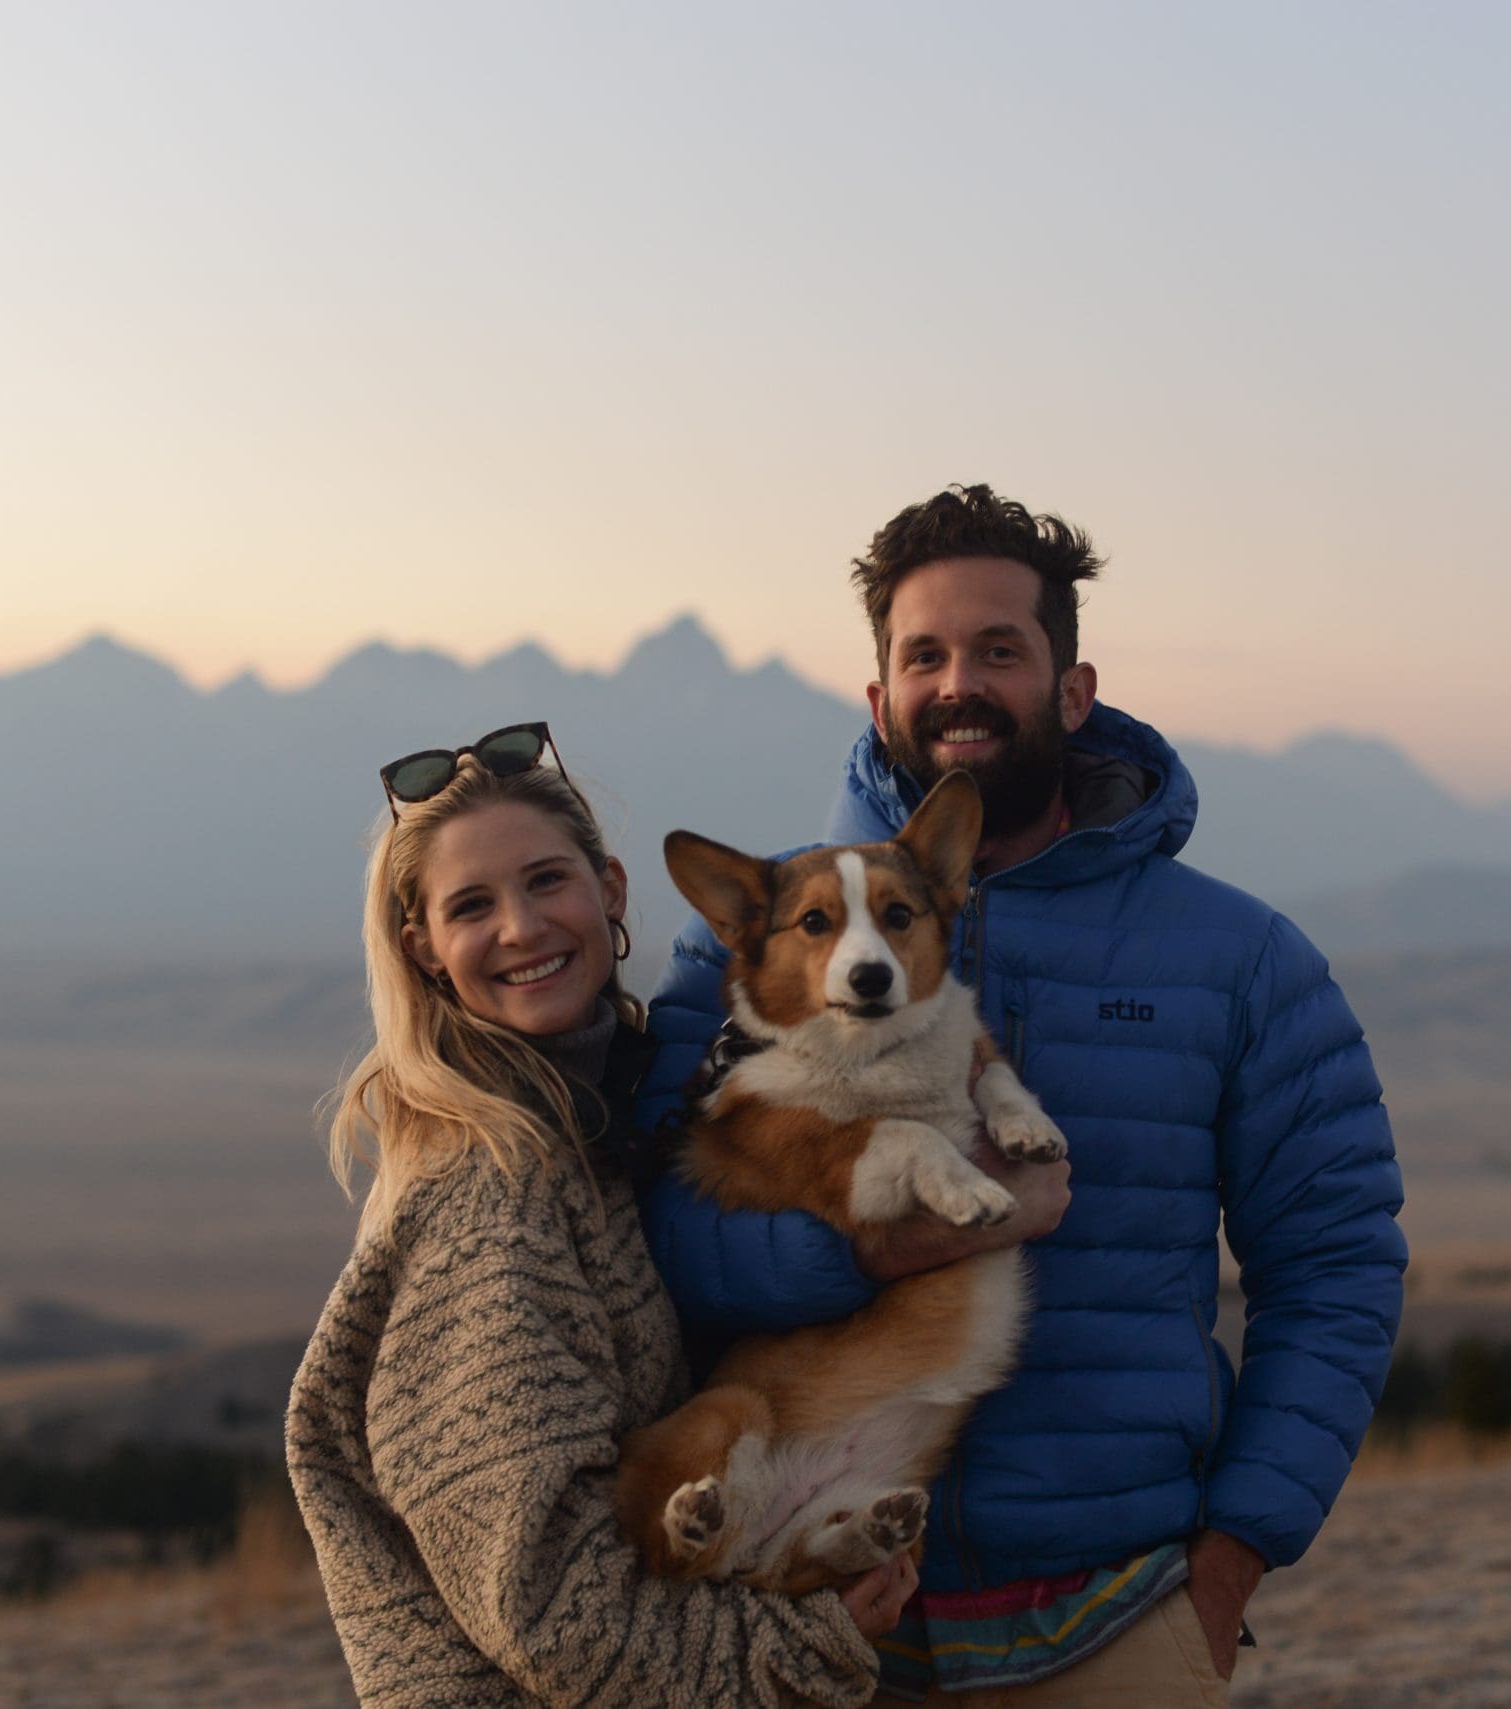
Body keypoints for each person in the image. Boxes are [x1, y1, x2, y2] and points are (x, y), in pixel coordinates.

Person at [641, 488, 1407, 1705]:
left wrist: (1228, 1567)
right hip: (801, 1617)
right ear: (878, 692)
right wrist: (879, 1249)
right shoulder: (743, 959)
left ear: (1072, 687)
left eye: (1000, 649)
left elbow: (1337, 1267)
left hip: (1118, 1605)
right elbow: (661, 1238)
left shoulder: (1239, 959)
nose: (959, 683)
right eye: (925, 654)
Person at [285, 725, 913, 1709]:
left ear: (610, 888)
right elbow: (555, 1615)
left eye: (546, 881)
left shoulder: (599, 1121)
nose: (522, 926)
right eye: (471, 905)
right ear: (425, 950)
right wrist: (803, 1642)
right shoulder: (491, 1196)